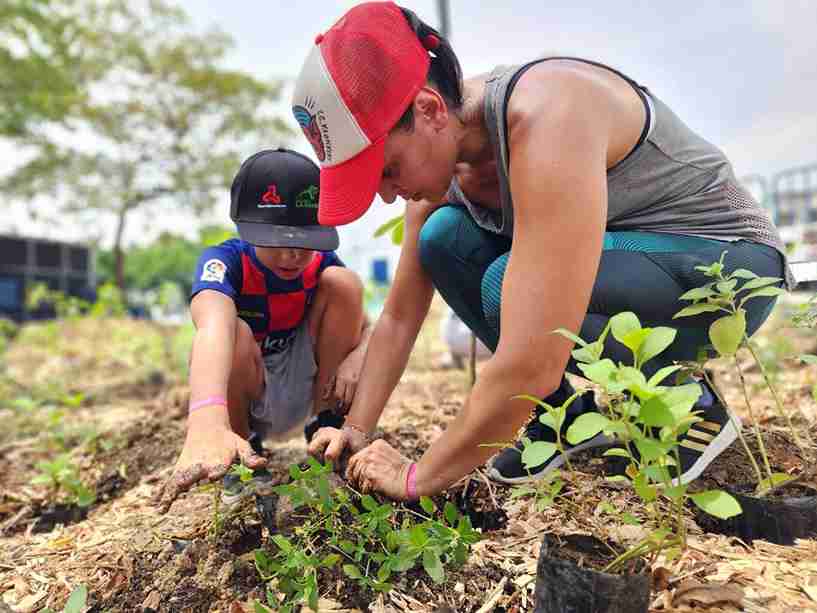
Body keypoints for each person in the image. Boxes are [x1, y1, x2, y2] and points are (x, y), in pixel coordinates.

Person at [293, 2, 794, 500]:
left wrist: (417, 477)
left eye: (387, 169)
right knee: (442, 239)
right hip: (626, 267)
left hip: (724, 268)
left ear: (428, 109)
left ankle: (689, 402)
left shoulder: (549, 114)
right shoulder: (443, 165)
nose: (384, 194)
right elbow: (400, 317)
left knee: (505, 284)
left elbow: (531, 356)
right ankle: (562, 414)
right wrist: (355, 431)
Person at [155, 148, 370, 511]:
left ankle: (326, 430)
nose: (294, 255)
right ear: (246, 228)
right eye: (279, 241)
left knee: (345, 283)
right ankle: (238, 452)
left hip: (308, 382)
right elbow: (211, 327)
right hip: (251, 389)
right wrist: (206, 418)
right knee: (232, 331)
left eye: (305, 240)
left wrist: (358, 358)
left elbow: (366, 327)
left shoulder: (322, 267)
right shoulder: (225, 262)